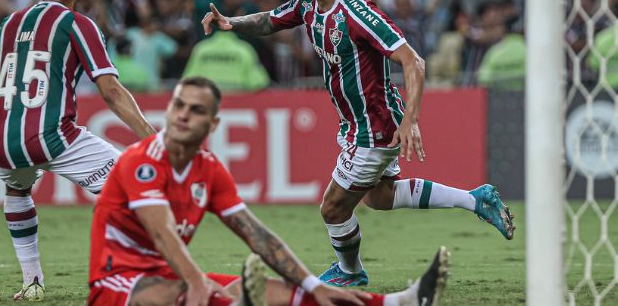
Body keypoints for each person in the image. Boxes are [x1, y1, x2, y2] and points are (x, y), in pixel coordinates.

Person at [201, 0, 516, 287]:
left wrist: (410, 120)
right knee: (379, 197)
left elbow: (413, 62)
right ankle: (475, 200)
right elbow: (272, 19)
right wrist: (231, 23)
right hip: (359, 122)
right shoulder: (307, 3)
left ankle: (350, 272)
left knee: (333, 208)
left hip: (376, 126)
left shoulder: (357, 12)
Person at [88, 76, 450, 306]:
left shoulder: (209, 169)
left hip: (171, 275)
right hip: (116, 285)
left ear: (212, 124)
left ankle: (396, 303)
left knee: (287, 293)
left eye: (195, 110)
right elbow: (162, 232)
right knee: (190, 295)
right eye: (178, 105)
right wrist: (198, 283)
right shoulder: (140, 161)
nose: (182, 115)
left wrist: (311, 284)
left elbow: (256, 234)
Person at [0, 0, 157, 301]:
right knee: (130, 184)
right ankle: (132, 272)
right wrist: (152, 139)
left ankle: (32, 283)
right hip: (53, 136)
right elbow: (112, 92)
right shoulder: (78, 24)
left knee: (17, 191)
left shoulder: (7, 26)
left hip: (2, 144)